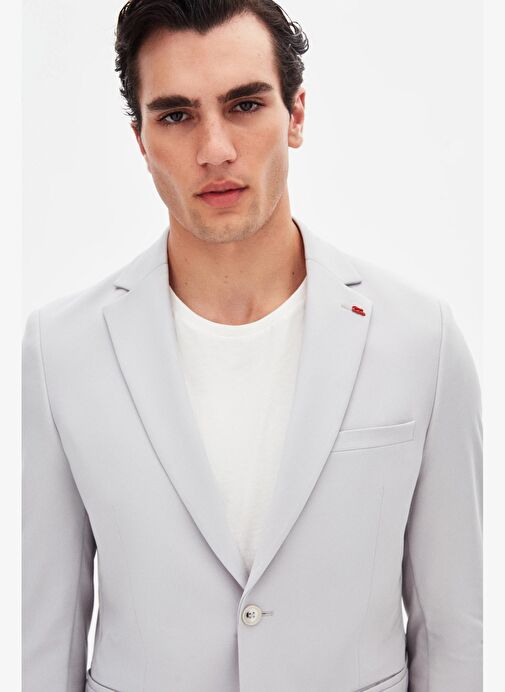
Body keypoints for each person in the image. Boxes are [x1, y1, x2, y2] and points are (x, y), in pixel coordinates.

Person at [22, 1, 482, 691]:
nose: (214, 149)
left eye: (243, 105)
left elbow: (454, 636)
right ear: (140, 139)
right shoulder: (60, 352)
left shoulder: (422, 340)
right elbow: (44, 635)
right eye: (176, 115)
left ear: (295, 115)